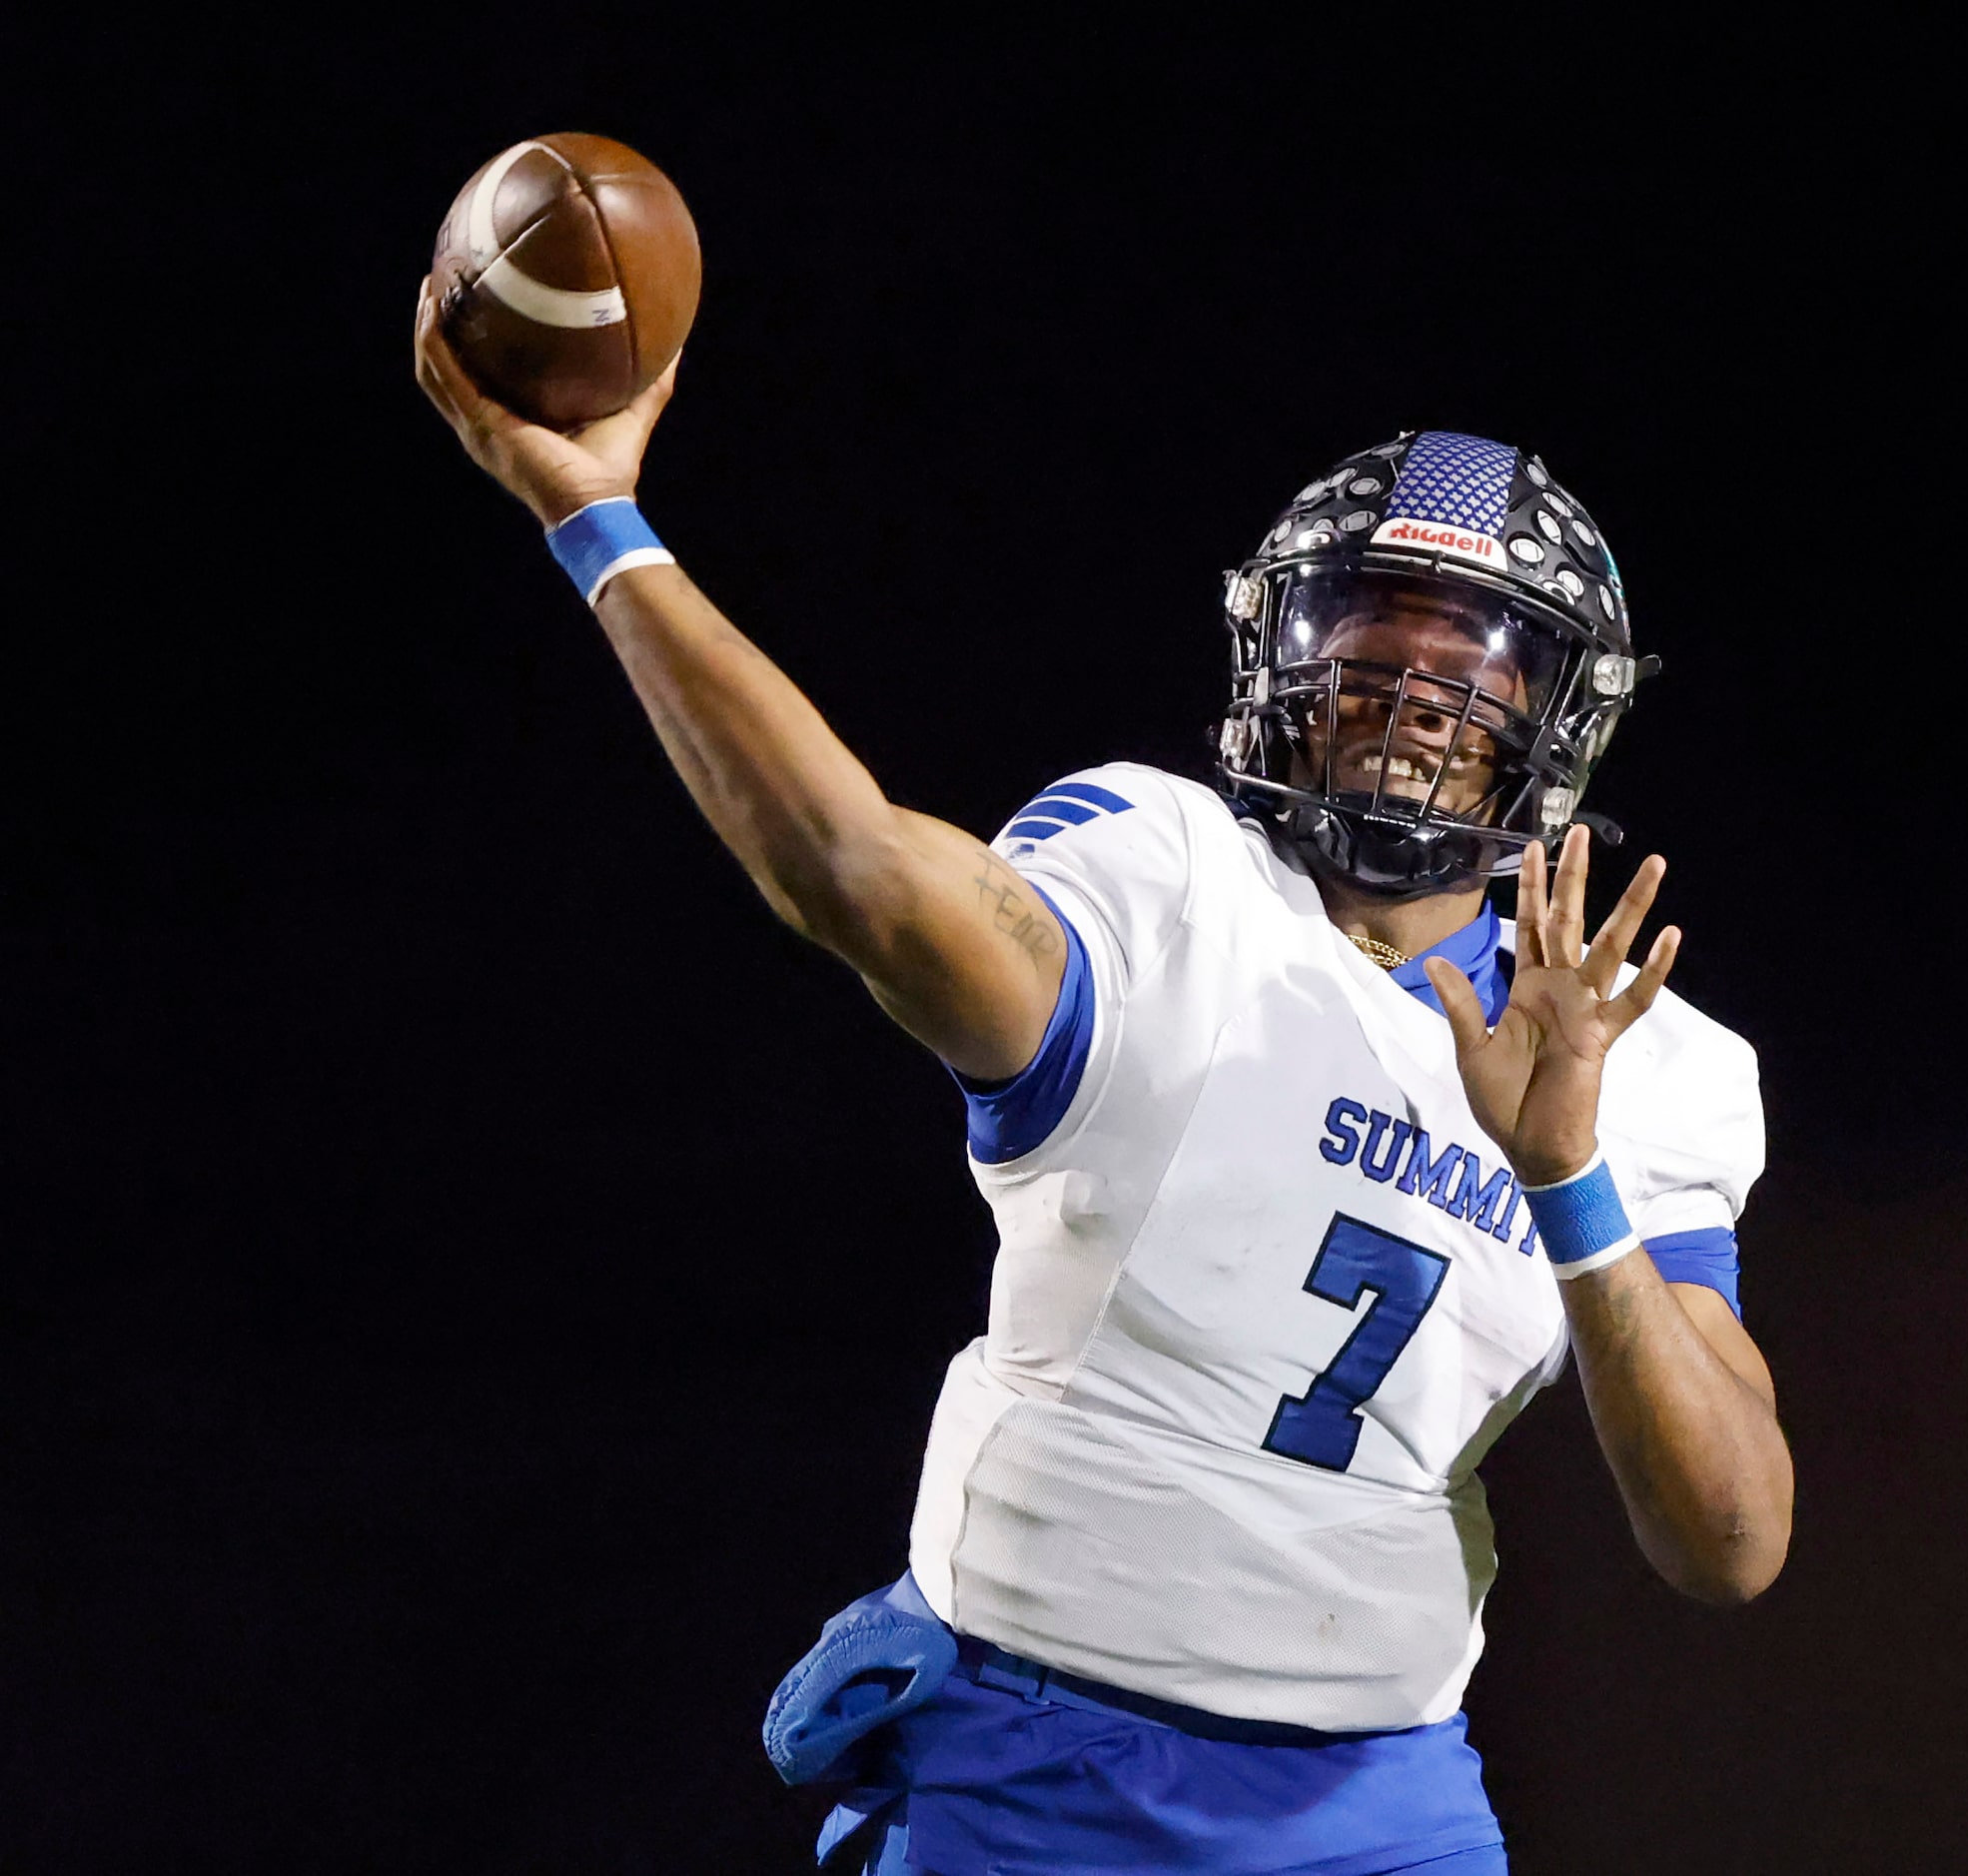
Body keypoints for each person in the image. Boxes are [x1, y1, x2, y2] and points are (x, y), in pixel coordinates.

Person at [414, 284, 1794, 1875]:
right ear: (1280, 652)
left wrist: (1570, 1177)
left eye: (1467, 667)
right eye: (1369, 642)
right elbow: (856, 871)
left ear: (1551, 730)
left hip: (1378, 1802)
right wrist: (600, 522)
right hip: (1040, 1762)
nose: (1410, 696)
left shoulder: (1645, 1055)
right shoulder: (1171, 875)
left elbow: (1731, 1537)